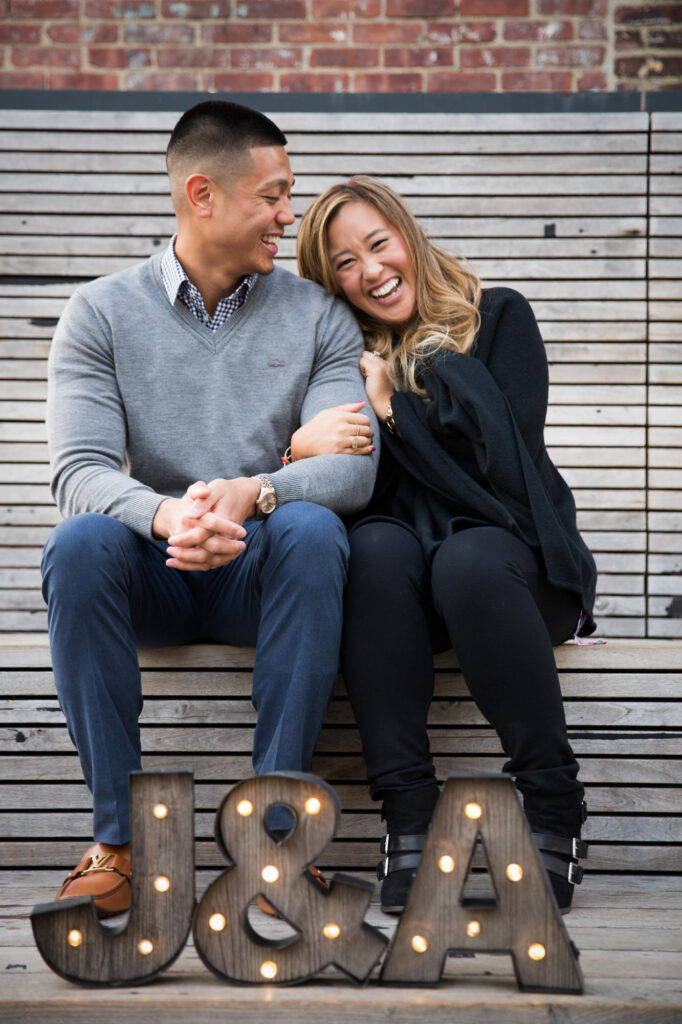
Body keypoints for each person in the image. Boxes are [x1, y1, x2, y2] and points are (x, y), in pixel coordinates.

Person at [41, 102, 379, 916]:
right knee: (80, 543)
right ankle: (117, 843)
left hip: (259, 574)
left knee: (312, 526)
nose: (287, 217)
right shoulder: (100, 314)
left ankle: (276, 843)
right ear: (202, 194)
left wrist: (254, 492)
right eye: (272, 196)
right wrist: (168, 518)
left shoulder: (320, 317)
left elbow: (351, 474)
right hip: (155, 569)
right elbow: (78, 471)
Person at [295, 176, 598, 915]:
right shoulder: (345, 359)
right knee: (373, 550)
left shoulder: (498, 318)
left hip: (518, 568)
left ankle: (554, 808)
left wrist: (396, 409)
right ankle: (410, 818)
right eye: (343, 263)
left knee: (467, 559)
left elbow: (498, 478)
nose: (369, 270)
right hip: (406, 599)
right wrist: (302, 445)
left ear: (407, 235)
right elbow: (353, 488)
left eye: (377, 243)